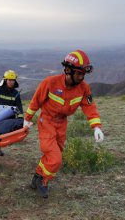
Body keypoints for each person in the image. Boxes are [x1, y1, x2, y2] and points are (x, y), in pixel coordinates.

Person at [23, 50, 104, 198]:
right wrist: (27, 119)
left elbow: (89, 106)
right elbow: (36, 101)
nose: (81, 77)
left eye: (83, 74)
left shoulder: (83, 88)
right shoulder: (50, 83)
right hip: (46, 121)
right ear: (68, 70)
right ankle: (43, 181)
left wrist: (96, 126)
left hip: (62, 124)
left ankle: (37, 176)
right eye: (79, 73)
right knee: (55, 159)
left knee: (54, 155)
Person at [0, 70, 24, 156]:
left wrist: (21, 118)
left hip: (9, 117)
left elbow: (19, 106)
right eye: (9, 80)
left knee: (3, 132)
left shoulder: (16, 93)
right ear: (5, 80)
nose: (11, 82)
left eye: (13, 80)